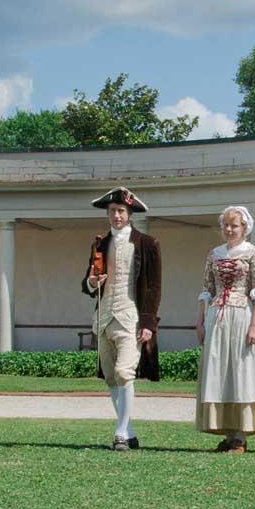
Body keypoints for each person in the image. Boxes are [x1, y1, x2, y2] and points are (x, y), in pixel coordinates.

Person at [82, 187, 161, 451]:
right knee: (110, 377)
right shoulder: (100, 244)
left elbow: (153, 287)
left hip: (131, 318)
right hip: (104, 317)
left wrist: (148, 323)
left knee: (124, 372)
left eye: (121, 211)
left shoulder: (147, 244)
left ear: (130, 214)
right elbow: (87, 284)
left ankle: (119, 434)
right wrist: (92, 282)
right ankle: (129, 431)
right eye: (113, 211)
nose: (116, 215)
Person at [194, 205, 255, 452]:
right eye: (225, 225)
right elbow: (207, 289)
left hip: (242, 316)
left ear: (244, 228)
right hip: (217, 318)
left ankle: (240, 436)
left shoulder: (254, 253)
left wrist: (254, 325)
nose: (229, 229)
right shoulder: (214, 254)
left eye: (234, 225)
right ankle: (228, 434)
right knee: (220, 372)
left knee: (241, 371)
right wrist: (200, 320)